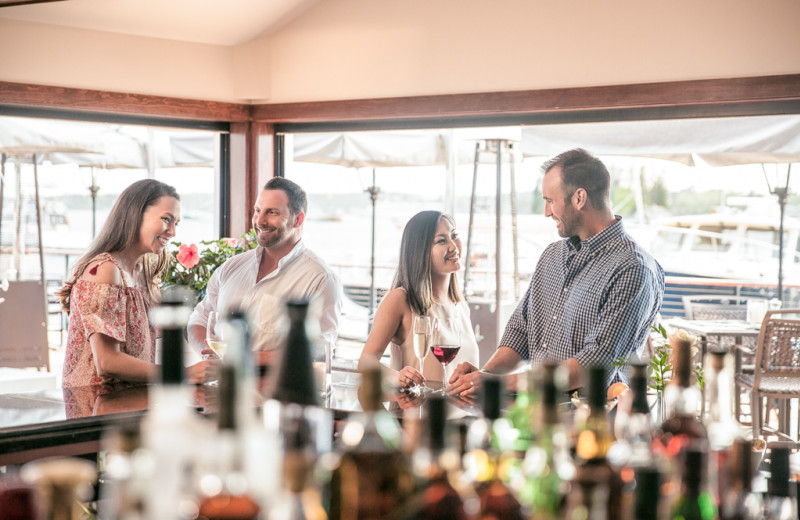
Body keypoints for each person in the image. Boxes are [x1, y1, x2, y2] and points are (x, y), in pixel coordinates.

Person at [449, 148, 664, 395]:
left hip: (592, 419)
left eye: (550, 201)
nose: (547, 212)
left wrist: (500, 384)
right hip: (536, 408)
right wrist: (482, 377)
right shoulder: (552, 255)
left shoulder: (633, 268)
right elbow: (521, 331)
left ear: (579, 198)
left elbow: (594, 364)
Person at [57, 179, 218, 388]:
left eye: (176, 223)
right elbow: (107, 362)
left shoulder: (144, 271)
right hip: (94, 407)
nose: (172, 232)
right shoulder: (105, 270)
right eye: (166, 219)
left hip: (129, 402)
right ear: (135, 214)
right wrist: (182, 374)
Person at [187, 177, 341, 363]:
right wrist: (207, 352)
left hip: (277, 390)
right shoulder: (231, 267)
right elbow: (200, 319)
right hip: (218, 384)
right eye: (257, 211)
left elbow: (319, 347)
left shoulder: (320, 277)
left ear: (298, 219)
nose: (260, 221)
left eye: (272, 212)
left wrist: (243, 360)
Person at [358, 210, 479, 391]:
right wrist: (398, 377)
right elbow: (365, 363)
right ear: (419, 251)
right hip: (413, 414)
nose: (454, 246)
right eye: (441, 240)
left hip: (458, 415)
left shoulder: (461, 306)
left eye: (454, 236)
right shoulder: (400, 299)